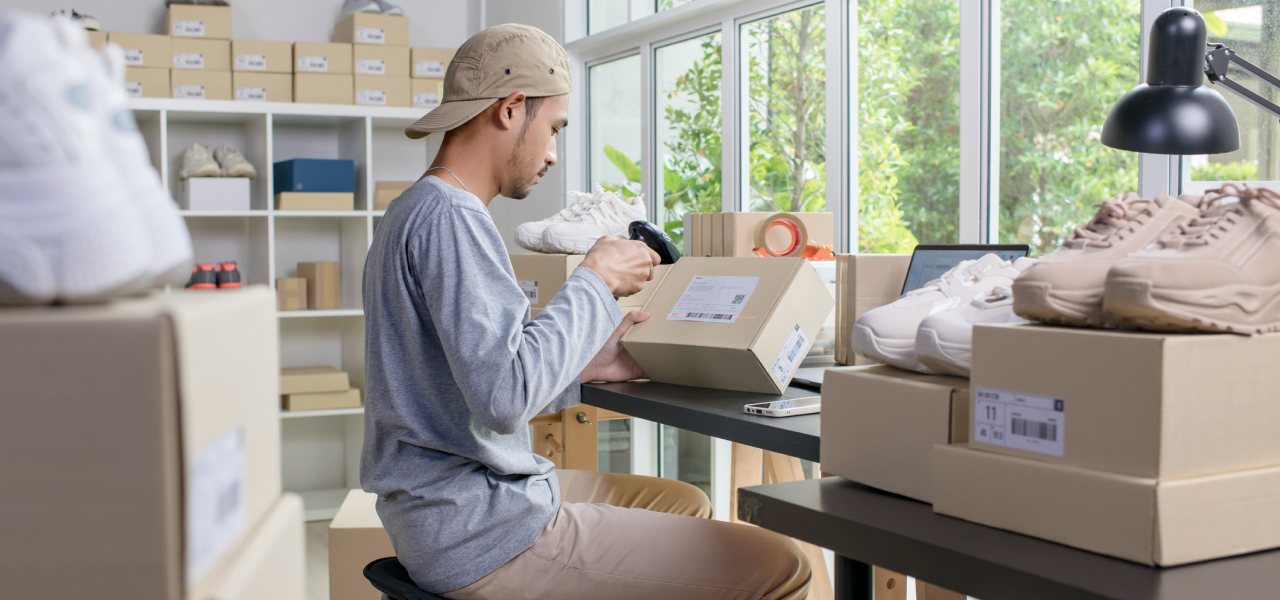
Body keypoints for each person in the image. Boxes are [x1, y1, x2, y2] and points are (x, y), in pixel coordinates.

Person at [361, 23, 812, 600]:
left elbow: (461, 384)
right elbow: (503, 398)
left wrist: (585, 367)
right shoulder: (454, 219)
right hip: (482, 529)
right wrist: (595, 280)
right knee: (781, 565)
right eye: (553, 128)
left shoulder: (414, 209)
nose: (552, 153)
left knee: (684, 501)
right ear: (510, 108)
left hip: (442, 513)